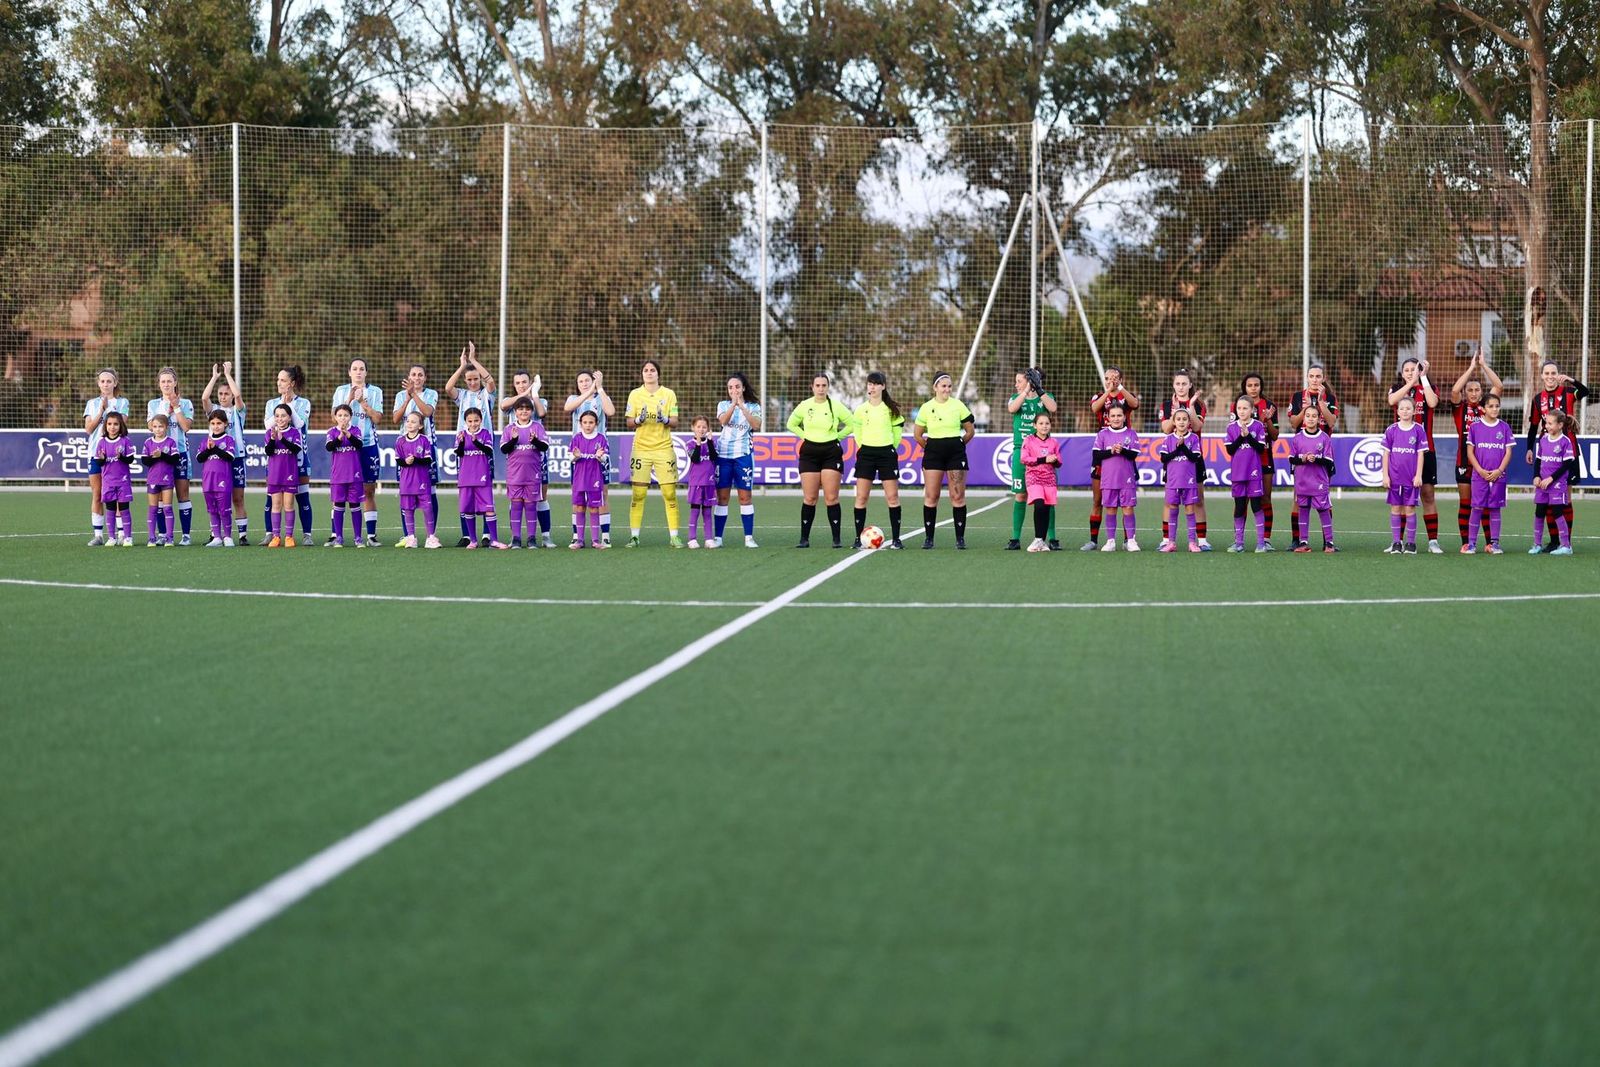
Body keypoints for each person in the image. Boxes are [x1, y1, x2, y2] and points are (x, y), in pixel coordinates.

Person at [1524, 360, 1590, 551]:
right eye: (1547, 373)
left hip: (1568, 453)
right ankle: (1554, 542)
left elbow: (1585, 392)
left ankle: (1565, 542)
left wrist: (1571, 380)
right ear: (1542, 375)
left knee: (1564, 498)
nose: (1551, 377)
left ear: (1558, 375)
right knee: (1547, 499)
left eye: (1554, 373)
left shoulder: (1568, 393)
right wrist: (1530, 448)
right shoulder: (1537, 399)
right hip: (1546, 455)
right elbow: (1534, 426)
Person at [786, 373, 852, 548]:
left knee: (831, 497)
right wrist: (805, 435)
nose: (821, 389)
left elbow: (852, 423)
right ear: (812, 387)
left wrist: (838, 436)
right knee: (810, 497)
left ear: (828, 387)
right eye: (818, 385)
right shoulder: (805, 405)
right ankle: (804, 539)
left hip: (831, 452)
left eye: (824, 385)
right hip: (809, 453)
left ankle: (836, 539)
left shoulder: (836, 406)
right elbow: (791, 424)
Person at [624, 359, 683, 548]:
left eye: (652, 370)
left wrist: (665, 419)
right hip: (641, 448)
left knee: (669, 493)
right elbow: (629, 422)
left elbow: (674, 421)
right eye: (646, 370)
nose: (649, 373)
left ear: (658, 374)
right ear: (642, 374)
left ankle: (674, 536)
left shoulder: (669, 394)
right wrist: (639, 420)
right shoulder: (635, 394)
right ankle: (634, 537)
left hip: (664, 448)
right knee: (638, 494)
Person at [1386, 357, 1442, 553]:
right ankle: (1398, 542)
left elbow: (1433, 403)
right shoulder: (1396, 389)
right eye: (1407, 370)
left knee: (1427, 494)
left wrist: (1423, 378)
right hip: (1401, 455)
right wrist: (1410, 383)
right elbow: (1392, 401)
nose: (1411, 372)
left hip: (1425, 451)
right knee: (1399, 499)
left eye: (1414, 369)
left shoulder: (1429, 387)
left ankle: (1433, 541)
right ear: (1402, 373)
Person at [914, 373, 976, 549]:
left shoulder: (958, 405)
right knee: (932, 496)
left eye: (949, 386)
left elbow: (970, 431)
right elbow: (917, 435)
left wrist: (958, 444)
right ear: (935, 388)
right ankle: (929, 538)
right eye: (943, 386)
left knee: (957, 496)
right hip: (933, 453)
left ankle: (960, 539)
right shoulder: (926, 407)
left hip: (955, 453)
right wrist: (930, 447)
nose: (947, 389)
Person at [446, 342, 498, 544]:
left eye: (475, 379)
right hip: (465, 448)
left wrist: (474, 361)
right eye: (469, 379)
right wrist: (462, 366)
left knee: (485, 491)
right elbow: (448, 387)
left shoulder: (487, 395)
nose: (473, 382)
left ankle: (486, 534)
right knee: (465, 491)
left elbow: (491, 382)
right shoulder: (463, 396)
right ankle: (467, 534)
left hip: (484, 448)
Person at [1449, 352, 1502, 547]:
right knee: (1466, 503)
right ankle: (1466, 543)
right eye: (1470, 389)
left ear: (1481, 392)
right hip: (1464, 461)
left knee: (1486, 504)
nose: (1473, 393)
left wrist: (1484, 365)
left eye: (1476, 389)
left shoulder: (1487, 407)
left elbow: (1499, 386)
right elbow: (1455, 390)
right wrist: (1471, 368)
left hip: (1486, 462)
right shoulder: (1460, 408)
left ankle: (1490, 543)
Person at [1083, 367, 1139, 550]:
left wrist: (1119, 387)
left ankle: (1127, 540)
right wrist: (1108, 390)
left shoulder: (1125, 396)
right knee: (1099, 499)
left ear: (1120, 379)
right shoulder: (1099, 396)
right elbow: (1094, 408)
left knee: (1126, 502)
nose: (1111, 380)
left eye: (1114, 378)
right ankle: (1094, 540)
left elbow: (1135, 404)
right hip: (1104, 449)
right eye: (1107, 378)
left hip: (1123, 451)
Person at [849, 371, 906, 549]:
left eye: (875, 384)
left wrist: (889, 448)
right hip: (866, 454)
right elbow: (857, 432)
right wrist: (863, 446)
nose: (872, 387)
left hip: (886, 454)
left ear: (883, 386)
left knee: (892, 497)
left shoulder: (891, 410)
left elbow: (897, 435)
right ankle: (858, 539)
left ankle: (896, 540)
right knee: (861, 497)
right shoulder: (860, 409)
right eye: (869, 384)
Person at [331, 358, 384, 547]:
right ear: (349, 372)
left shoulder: (375, 391)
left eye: (362, 369)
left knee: (368, 490)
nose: (358, 372)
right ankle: (335, 534)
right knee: (340, 492)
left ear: (366, 373)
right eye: (355, 369)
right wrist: (349, 400)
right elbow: (334, 416)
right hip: (345, 448)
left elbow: (377, 418)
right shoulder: (340, 391)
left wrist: (363, 403)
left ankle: (370, 535)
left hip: (367, 445)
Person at [501, 370, 557, 546]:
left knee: (541, 497)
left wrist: (534, 394)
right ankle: (515, 536)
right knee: (516, 500)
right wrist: (527, 393)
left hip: (536, 458)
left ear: (530, 382)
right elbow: (503, 406)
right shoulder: (510, 403)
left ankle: (545, 536)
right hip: (517, 460)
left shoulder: (538, 399)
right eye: (517, 383)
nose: (521, 385)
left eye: (524, 382)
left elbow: (541, 413)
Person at [1287, 362, 1341, 545]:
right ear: (1307, 377)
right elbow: (1294, 424)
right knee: (1298, 499)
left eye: (1318, 376)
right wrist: (1305, 408)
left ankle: (1328, 541)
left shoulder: (1330, 398)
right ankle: (1298, 540)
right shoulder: (1297, 397)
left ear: (1323, 378)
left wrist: (1320, 403)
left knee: (1323, 498)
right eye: (1312, 376)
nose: (1315, 379)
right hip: (1301, 454)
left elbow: (1332, 422)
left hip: (1322, 454)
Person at [1156, 370, 1211, 550]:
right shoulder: (1166, 405)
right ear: (1174, 385)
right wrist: (1174, 415)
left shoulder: (1199, 404)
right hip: (1172, 460)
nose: (1181, 387)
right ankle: (1166, 540)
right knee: (1169, 500)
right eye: (1178, 383)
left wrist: (1191, 408)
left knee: (1198, 499)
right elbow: (1166, 429)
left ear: (1190, 385)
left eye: (1184, 383)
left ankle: (1201, 540)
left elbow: (1196, 426)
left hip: (1193, 458)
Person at [1006, 368, 1057, 550]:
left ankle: (1052, 537)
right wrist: (1026, 390)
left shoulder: (1045, 397)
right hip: (1022, 451)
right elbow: (1012, 409)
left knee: (1047, 496)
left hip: (1043, 451)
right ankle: (1015, 538)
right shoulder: (1016, 398)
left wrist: (1038, 390)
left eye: (1019, 381)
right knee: (1020, 495)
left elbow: (1053, 408)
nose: (1016, 384)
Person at [262, 365, 313, 545]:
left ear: (291, 383)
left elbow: (299, 424)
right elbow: (268, 426)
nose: (279, 383)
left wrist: (290, 404)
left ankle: (307, 535)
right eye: (278, 380)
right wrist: (282, 405)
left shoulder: (304, 403)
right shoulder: (271, 404)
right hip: (277, 460)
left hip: (298, 457)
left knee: (302, 497)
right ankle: (272, 534)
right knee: (273, 499)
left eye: (282, 380)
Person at [201, 363, 250, 545]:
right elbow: (204, 398)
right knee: (215, 498)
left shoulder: (238, 411)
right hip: (216, 460)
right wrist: (215, 377)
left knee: (237, 498)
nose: (223, 396)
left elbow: (238, 395)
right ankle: (216, 534)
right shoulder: (214, 411)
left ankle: (242, 535)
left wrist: (229, 375)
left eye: (226, 393)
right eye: (221, 394)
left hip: (235, 458)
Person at [563, 369, 614, 546]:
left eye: (587, 380)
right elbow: (567, 408)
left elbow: (611, 411)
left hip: (598, 453)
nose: (584, 383)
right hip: (579, 456)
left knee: (603, 494)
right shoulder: (573, 399)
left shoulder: (601, 398)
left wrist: (599, 389)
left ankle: (605, 535)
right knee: (577, 495)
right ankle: (577, 536)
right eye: (581, 381)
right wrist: (589, 390)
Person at [392, 363, 440, 544]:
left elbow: (427, 412)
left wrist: (414, 395)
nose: (417, 377)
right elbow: (396, 418)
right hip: (406, 448)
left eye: (420, 375)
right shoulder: (399, 395)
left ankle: (431, 535)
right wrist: (406, 398)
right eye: (413, 374)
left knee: (430, 491)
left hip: (426, 447)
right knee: (406, 490)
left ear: (425, 378)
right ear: (409, 377)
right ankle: (408, 535)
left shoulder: (431, 394)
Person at [146, 367, 195, 545]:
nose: (166, 384)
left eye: (169, 381)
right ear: (159, 384)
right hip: (159, 456)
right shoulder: (153, 404)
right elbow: (152, 427)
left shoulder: (186, 403)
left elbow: (186, 426)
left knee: (183, 494)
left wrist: (176, 407)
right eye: (163, 381)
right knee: (160, 497)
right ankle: (162, 535)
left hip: (179, 453)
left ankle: (186, 535)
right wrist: (166, 412)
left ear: (175, 382)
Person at [714, 373, 761, 548]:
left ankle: (748, 537)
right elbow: (723, 421)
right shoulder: (723, 405)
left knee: (745, 497)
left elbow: (756, 425)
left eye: (737, 387)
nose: (734, 390)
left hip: (743, 455)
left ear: (743, 388)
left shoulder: (753, 406)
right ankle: (718, 537)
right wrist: (733, 406)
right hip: (724, 455)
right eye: (730, 387)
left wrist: (742, 407)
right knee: (722, 497)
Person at [83, 369, 129, 546]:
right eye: (102, 381)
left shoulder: (122, 402)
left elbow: (122, 426)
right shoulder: (92, 403)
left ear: (115, 383)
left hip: (116, 455)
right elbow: (89, 429)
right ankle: (98, 535)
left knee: (117, 494)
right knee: (97, 494)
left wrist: (108, 410)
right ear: (98, 383)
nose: (105, 384)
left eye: (109, 381)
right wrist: (100, 411)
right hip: (96, 454)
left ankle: (120, 534)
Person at [1464, 392, 1514, 555]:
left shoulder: (1504, 427)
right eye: (1490, 406)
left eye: (1497, 406)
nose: (1494, 409)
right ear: (1483, 408)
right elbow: (1470, 452)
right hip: (1479, 476)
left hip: (1498, 476)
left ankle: (1494, 544)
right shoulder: (1475, 427)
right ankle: (1471, 544)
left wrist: (1499, 470)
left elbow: (1508, 452)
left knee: (1495, 509)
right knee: (1476, 508)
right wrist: (1479, 470)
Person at [1381, 395, 1428, 554]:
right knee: (1395, 509)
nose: (1405, 411)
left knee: (1409, 510)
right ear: (1398, 411)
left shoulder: (1419, 430)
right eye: (1402, 408)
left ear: (1414, 411)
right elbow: (1386, 454)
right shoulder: (1391, 429)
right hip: (1394, 478)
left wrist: (1419, 475)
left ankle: (1411, 544)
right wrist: (1385, 476)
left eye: (1408, 408)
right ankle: (1396, 543)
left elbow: (1421, 454)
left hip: (1411, 479)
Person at [1288, 405, 1337, 553]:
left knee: (1323, 510)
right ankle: (1303, 542)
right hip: (1302, 481)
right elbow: (1292, 459)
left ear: (1319, 419)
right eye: (1308, 416)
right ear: (1304, 418)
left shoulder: (1324, 438)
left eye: (1314, 416)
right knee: (1303, 509)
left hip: (1319, 481)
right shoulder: (1297, 438)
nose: (1310, 419)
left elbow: (1329, 461)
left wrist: (1316, 458)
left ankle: (1329, 543)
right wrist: (1303, 458)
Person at [1239, 372, 1280, 546]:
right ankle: (1238, 540)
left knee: (1265, 499)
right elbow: (1233, 433)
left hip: (1264, 458)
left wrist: (1268, 420)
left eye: (1256, 385)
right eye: (1250, 385)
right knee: (1243, 500)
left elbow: (1275, 435)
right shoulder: (1238, 405)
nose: (1253, 388)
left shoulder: (1269, 406)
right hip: (1244, 460)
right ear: (1245, 387)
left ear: (1261, 387)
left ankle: (1266, 539)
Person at [1092, 404, 1141, 551]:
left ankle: (1131, 540)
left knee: (1128, 509)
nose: (1116, 418)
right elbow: (1096, 455)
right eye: (1113, 416)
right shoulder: (1103, 434)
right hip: (1108, 479)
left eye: (1119, 415)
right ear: (1108, 418)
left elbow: (1134, 454)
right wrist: (1111, 451)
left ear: (1124, 417)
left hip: (1126, 479)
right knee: (1111, 509)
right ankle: (1110, 541)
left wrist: (1123, 450)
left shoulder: (1131, 433)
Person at [454, 408, 505, 548]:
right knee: (468, 509)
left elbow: (488, 451)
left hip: (482, 477)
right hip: (465, 478)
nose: (473, 423)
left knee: (489, 508)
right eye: (470, 421)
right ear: (465, 422)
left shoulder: (485, 434)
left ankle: (494, 540)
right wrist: (463, 442)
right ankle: (473, 541)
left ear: (481, 420)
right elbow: (459, 453)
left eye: (476, 420)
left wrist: (476, 442)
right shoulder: (461, 435)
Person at [1225, 395, 1269, 553]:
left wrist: (1248, 436)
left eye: (1245, 408)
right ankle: (1239, 543)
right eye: (1239, 408)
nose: (1241, 411)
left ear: (1252, 410)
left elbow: (1260, 448)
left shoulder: (1257, 426)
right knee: (1239, 507)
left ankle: (1260, 543)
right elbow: (1230, 450)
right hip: (1238, 474)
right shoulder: (1231, 428)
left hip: (1254, 473)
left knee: (1257, 506)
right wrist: (1241, 436)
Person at [1531, 409, 1579, 555]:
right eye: (1546, 422)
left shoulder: (1565, 441)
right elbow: (1538, 460)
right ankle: (1537, 544)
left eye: (1551, 423)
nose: (1547, 426)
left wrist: (1551, 478)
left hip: (1557, 484)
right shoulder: (1543, 439)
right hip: (1542, 484)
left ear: (1560, 425)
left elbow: (1566, 465)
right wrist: (1537, 476)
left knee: (1557, 512)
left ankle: (1566, 546)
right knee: (1539, 512)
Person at [1157, 407, 1203, 553]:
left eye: (1184, 419)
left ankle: (1192, 542)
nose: (1181, 422)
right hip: (1172, 481)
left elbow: (1195, 457)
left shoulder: (1194, 438)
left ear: (1189, 422)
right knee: (1173, 509)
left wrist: (1184, 448)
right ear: (1174, 422)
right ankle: (1171, 542)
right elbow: (1163, 458)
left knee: (1190, 510)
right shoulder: (1169, 439)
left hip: (1189, 481)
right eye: (1178, 419)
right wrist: (1178, 449)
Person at [395, 411, 440, 548]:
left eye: (413, 422)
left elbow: (427, 460)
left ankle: (430, 537)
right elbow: (399, 461)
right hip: (406, 482)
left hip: (421, 482)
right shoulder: (400, 441)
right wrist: (405, 461)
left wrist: (415, 460)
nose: (409, 424)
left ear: (420, 426)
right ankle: (411, 538)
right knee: (408, 510)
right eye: (408, 421)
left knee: (427, 508)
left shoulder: (424, 440)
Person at [195, 409, 238, 547]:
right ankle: (217, 537)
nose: (216, 426)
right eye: (213, 423)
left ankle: (228, 537)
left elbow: (229, 457)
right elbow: (199, 458)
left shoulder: (229, 440)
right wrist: (208, 449)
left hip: (223, 481)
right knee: (212, 510)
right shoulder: (205, 441)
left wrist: (214, 449)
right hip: (208, 482)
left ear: (225, 424)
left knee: (224, 510)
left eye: (219, 423)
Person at [263, 404, 304, 548]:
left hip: (289, 474)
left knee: (288, 505)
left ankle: (289, 537)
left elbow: (295, 449)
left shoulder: (294, 432)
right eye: (277, 416)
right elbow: (269, 451)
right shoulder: (269, 433)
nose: (280, 419)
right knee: (276, 505)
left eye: (283, 416)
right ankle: (276, 537)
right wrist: (274, 439)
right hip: (274, 475)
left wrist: (283, 439)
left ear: (289, 417)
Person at [324, 405, 365, 548]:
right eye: (340, 415)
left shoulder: (356, 430)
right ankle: (339, 537)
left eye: (346, 415)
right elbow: (329, 447)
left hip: (354, 475)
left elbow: (359, 445)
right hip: (338, 476)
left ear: (350, 417)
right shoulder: (331, 432)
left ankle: (358, 538)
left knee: (355, 506)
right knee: (338, 506)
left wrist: (348, 435)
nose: (343, 418)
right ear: (335, 417)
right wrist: (340, 437)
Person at [1020, 412, 1062, 552]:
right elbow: (1024, 459)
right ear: (1035, 425)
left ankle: (1042, 541)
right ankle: (1038, 539)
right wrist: (1043, 459)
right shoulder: (1029, 440)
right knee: (1039, 504)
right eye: (1041, 423)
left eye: (1047, 423)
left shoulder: (1054, 442)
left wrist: (1055, 460)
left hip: (1049, 477)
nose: (1044, 426)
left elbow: (1059, 462)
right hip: (1033, 477)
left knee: (1047, 508)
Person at [94, 412, 135, 546]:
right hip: (108, 482)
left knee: (124, 509)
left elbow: (130, 459)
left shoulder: (125, 440)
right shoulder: (101, 442)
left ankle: (128, 537)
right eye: (109, 424)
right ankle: (111, 537)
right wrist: (102, 459)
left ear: (121, 425)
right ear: (105, 426)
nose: (112, 427)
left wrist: (121, 456)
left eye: (116, 424)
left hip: (123, 482)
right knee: (110, 510)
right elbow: (99, 463)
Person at [570, 409, 609, 548]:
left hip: (595, 478)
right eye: (585, 422)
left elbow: (606, 458)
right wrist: (576, 456)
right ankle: (579, 540)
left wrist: (600, 456)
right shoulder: (576, 438)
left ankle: (595, 540)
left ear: (596, 423)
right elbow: (571, 458)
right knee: (580, 507)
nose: (588, 425)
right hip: (579, 478)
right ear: (580, 424)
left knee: (594, 508)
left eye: (591, 422)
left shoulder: (601, 439)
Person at [142, 413, 181, 547]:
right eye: (155, 426)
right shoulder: (148, 443)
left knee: (168, 508)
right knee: (152, 509)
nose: (158, 429)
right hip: (153, 480)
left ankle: (169, 538)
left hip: (167, 480)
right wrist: (155, 457)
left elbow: (175, 459)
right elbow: (145, 461)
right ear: (151, 428)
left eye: (161, 426)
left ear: (166, 427)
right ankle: (151, 538)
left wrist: (162, 455)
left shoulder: (170, 442)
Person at [682, 417, 719, 548]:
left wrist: (708, 442)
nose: (701, 429)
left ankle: (709, 539)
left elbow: (714, 457)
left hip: (709, 482)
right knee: (695, 511)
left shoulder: (711, 443)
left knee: (708, 512)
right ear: (693, 428)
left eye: (704, 427)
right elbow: (696, 459)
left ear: (708, 429)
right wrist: (698, 443)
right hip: (696, 482)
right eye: (698, 427)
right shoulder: (690, 444)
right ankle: (692, 539)